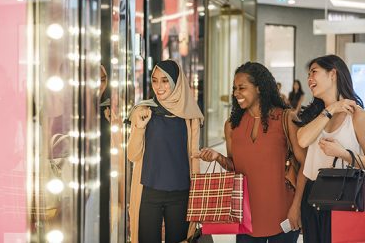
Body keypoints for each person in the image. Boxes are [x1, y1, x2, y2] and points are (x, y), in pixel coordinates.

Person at [193, 62, 307, 242]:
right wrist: (218, 157)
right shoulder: (232, 126)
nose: (236, 93)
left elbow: (304, 165)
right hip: (246, 216)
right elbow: (234, 168)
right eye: (234, 88)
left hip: (283, 212)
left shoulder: (286, 118)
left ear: (260, 88)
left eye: (242, 88)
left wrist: (297, 207)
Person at [127, 59, 204, 243]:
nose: (159, 87)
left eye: (165, 80)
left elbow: (193, 157)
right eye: (154, 80)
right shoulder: (144, 111)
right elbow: (132, 155)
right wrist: (139, 127)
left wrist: (198, 197)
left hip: (181, 193)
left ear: (177, 82)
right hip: (148, 191)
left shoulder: (190, 116)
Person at [296, 54, 365, 243]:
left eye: (314, 72)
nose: (309, 79)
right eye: (308, 74)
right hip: (312, 194)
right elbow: (302, 140)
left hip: (343, 193)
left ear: (333, 73)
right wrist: (332, 109)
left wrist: (343, 154)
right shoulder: (317, 114)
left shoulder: (357, 116)